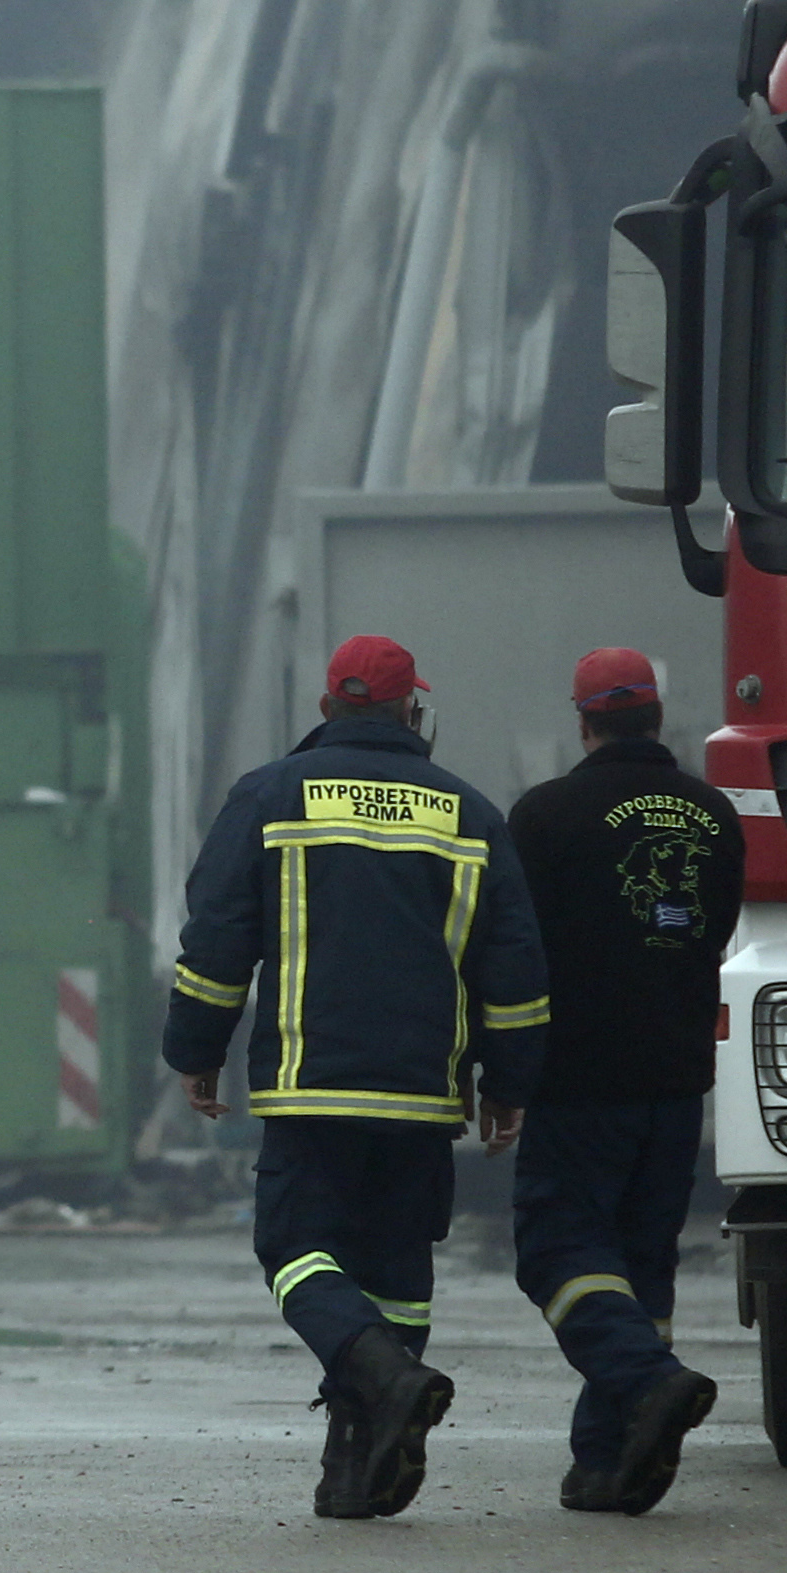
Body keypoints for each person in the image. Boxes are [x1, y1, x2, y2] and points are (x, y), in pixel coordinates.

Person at [165, 634, 550, 1521]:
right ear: (412, 711)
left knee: (292, 1249)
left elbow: (216, 940)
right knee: (396, 1273)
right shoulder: (469, 813)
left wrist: (194, 1048)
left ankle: (382, 1375)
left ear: (325, 709)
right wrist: (509, 1084)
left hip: (311, 1085)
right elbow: (516, 969)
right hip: (421, 1093)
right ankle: (357, 1471)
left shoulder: (268, 795)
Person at [488, 649, 740, 1514]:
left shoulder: (547, 815)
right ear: (656, 717)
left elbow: (513, 952)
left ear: (584, 719)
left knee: (558, 1249)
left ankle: (646, 1379)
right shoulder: (714, 814)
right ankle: (607, 1461)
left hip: (579, 1077)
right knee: (639, 1263)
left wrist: (499, 1068)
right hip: (674, 1078)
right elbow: (716, 936)